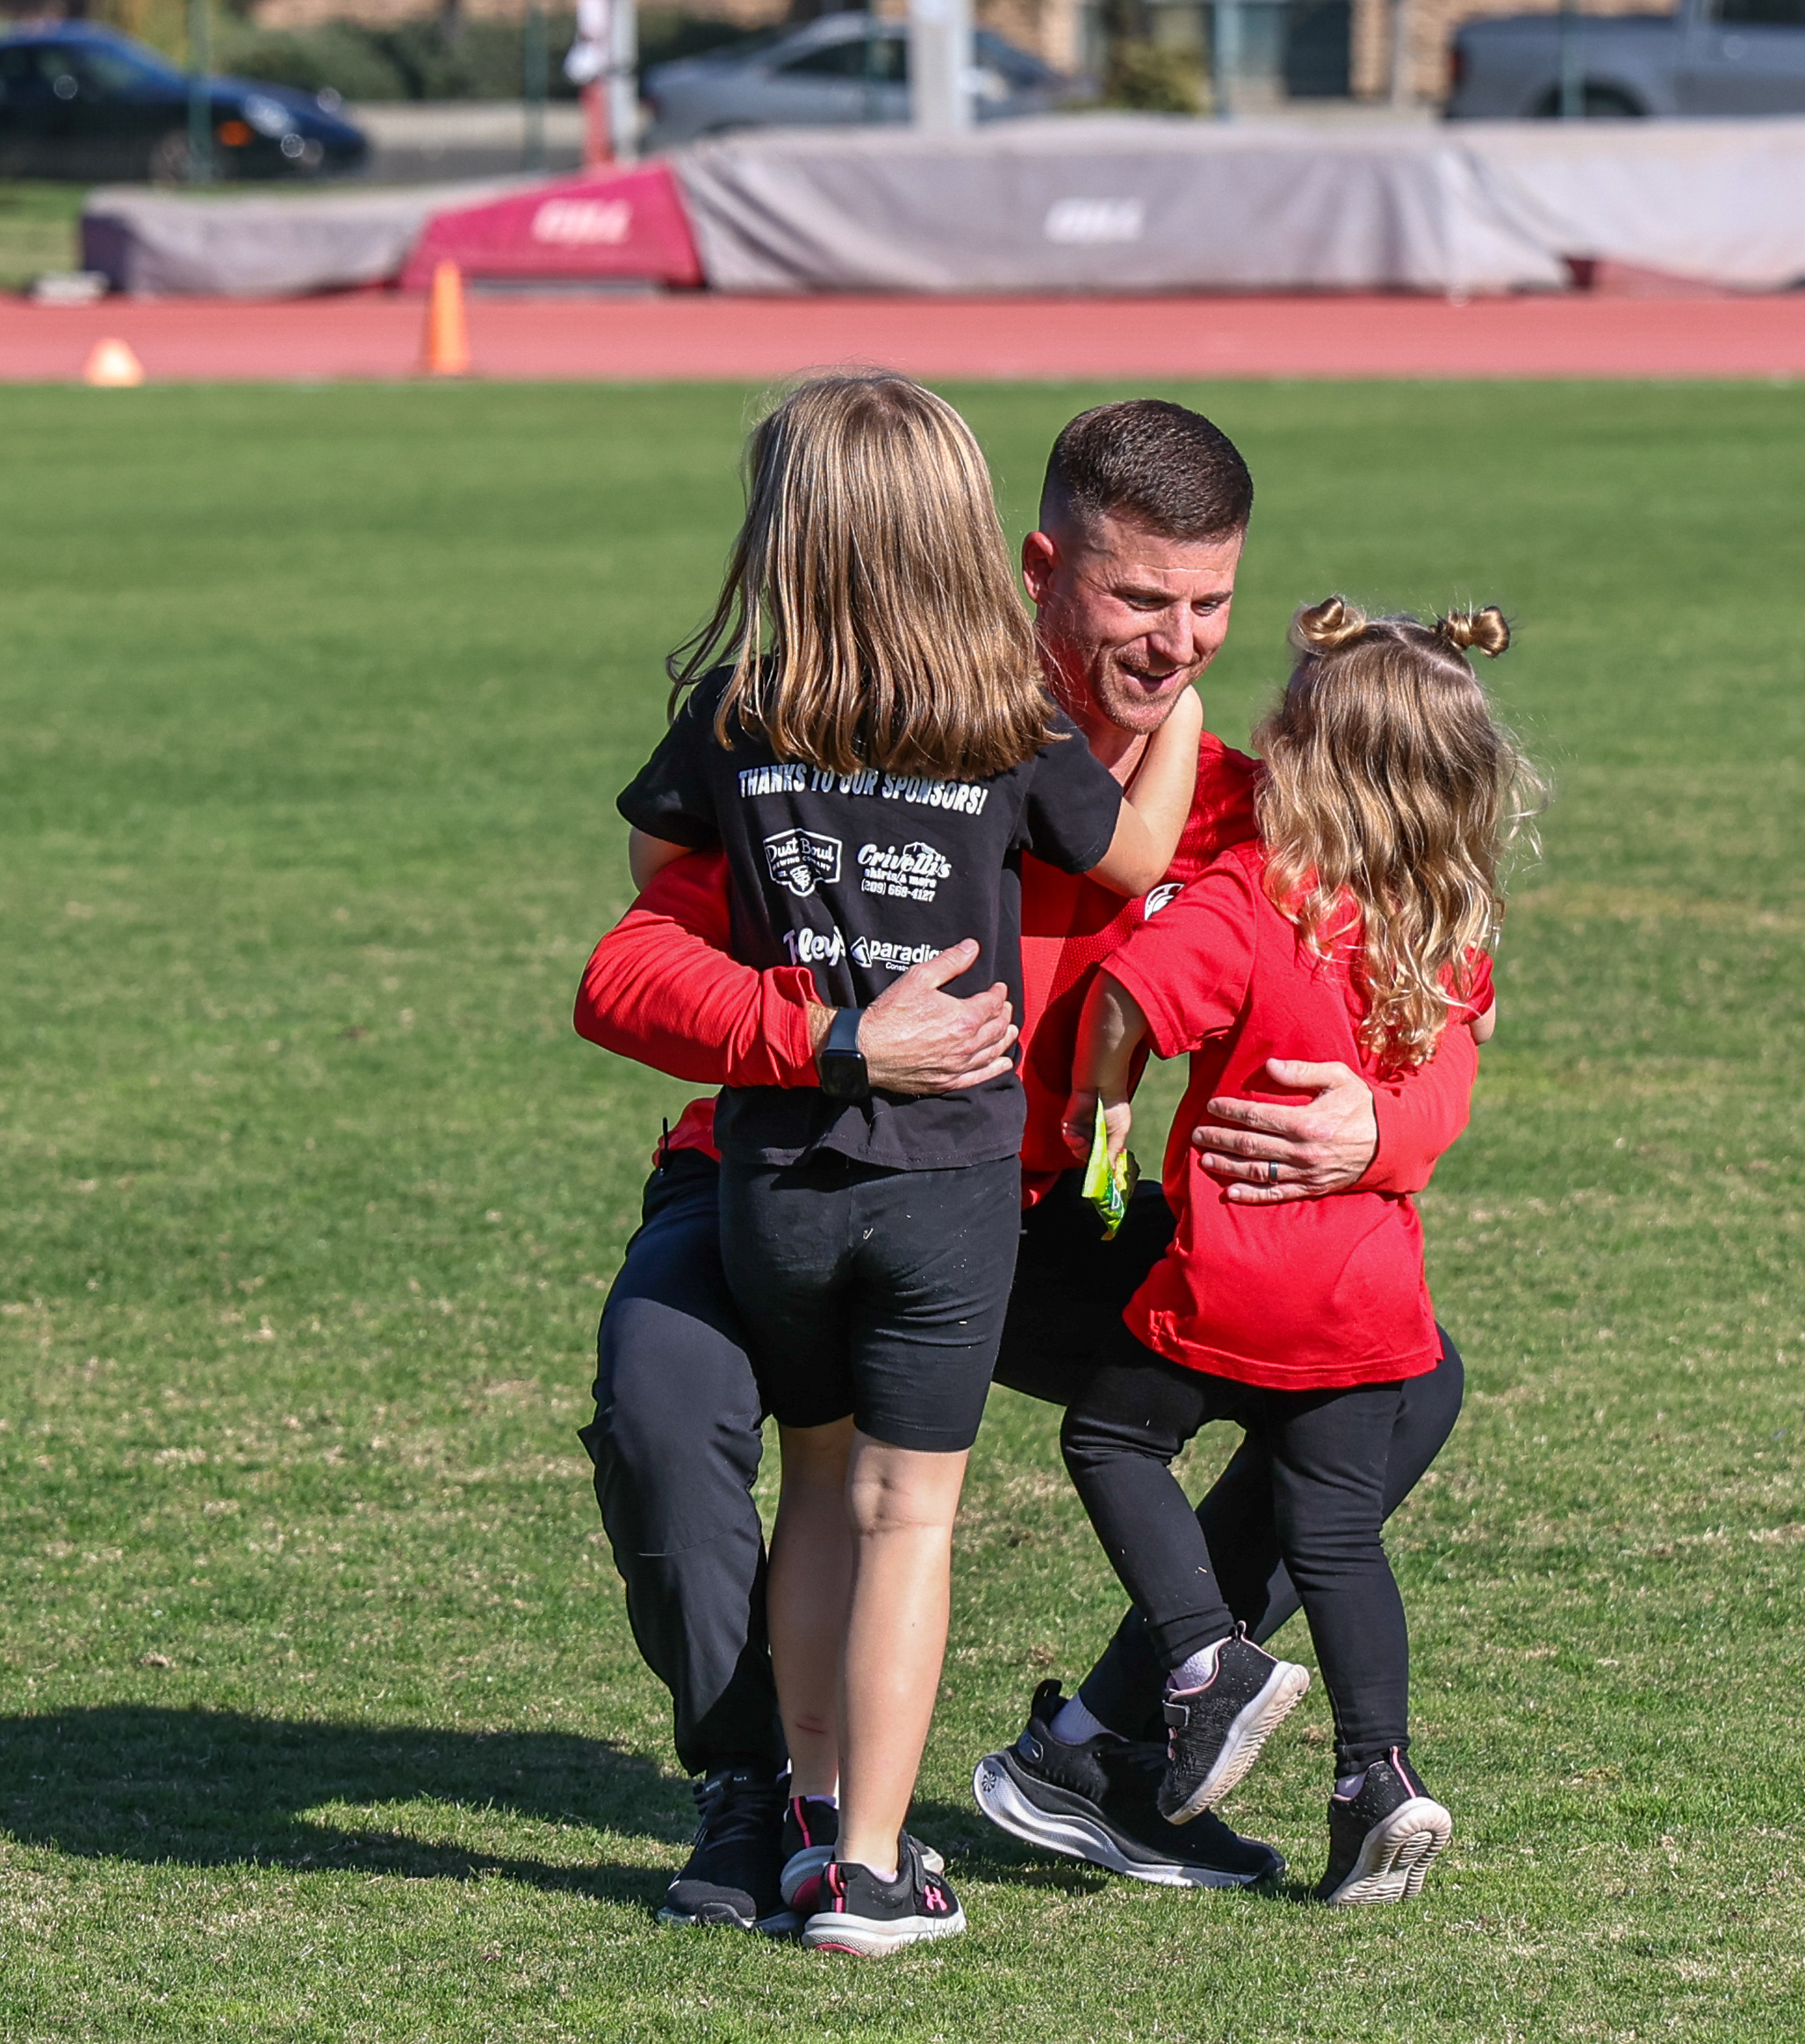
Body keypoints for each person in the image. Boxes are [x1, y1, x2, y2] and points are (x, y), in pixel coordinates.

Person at [574, 400, 1482, 1929]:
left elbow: (1422, 992)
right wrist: (831, 1041)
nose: (1179, 642)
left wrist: (1384, 1131)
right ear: (1039, 568)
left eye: (1211, 604)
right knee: (664, 1418)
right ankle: (758, 1793)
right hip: (781, 1164)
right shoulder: (860, 723)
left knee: (1402, 1381)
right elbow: (626, 966)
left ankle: (1112, 1747)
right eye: (1139, 599)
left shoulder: (1249, 810)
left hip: (1035, 1223)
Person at [611, 373, 1205, 1954]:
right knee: (908, 1515)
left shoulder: (742, 711)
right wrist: (1193, 722)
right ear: (979, 539)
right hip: (948, 1176)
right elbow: (1133, 854)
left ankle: (802, 1833)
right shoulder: (1003, 716)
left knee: (814, 1487)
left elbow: (651, 867)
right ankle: (874, 1869)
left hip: (781, 1177)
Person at [1057, 599, 1528, 1904]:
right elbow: (1445, 1075)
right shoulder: (1444, 925)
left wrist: (1101, 1121)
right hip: (1373, 1303)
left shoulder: (1253, 895)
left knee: (1111, 1440)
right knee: (1338, 1544)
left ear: (1306, 755)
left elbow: (1125, 1000)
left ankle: (1207, 1660)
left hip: (1230, 1280)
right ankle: (1380, 1776)